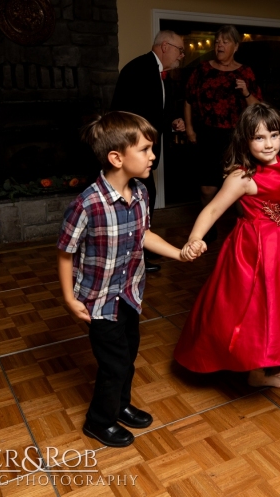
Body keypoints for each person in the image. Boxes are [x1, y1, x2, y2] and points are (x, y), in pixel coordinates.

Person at [173, 31, 280, 388]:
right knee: (257, 309)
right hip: (259, 250)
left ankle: (268, 366)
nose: (268, 144)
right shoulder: (243, 176)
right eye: (259, 138)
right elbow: (213, 209)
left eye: (273, 136)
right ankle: (254, 372)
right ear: (246, 141)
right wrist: (195, 239)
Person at [57, 112, 200, 447]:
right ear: (117, 158)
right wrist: (68, 298)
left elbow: (143, 234)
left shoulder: (140, 194)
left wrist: (178, 253)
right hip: (99, 301)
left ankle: (119, 405)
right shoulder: (87, 204)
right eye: (146, 149)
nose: (153, 156)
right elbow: (65, 253)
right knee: (114, 362)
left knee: (129, 352)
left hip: (129, 293)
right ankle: (99, 421)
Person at [110, 30, 187, 272]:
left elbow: (153, 111)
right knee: (140, 199)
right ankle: (135, 257)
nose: (182, 55)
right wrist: (133, 148)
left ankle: (140, 253)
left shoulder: (157, 73)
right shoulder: (138, 69)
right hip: (132, 150)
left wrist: (171, 122)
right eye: (180, 50)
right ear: (165, 46)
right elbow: (126, 112)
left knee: (144, 198)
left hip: (143, 150)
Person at [184, 24, 262, 241]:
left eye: (225, 41)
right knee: (207, 189)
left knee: (239, 188)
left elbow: (256, 107)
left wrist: (246, 92)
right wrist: (189, 128)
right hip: (207, 135)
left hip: (236, 139)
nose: (219, 45)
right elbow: (188, 100)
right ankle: (207, 230)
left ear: (235, 46)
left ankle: (247, 232)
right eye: (217, 41)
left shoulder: (245, 72)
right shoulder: (202, 70)